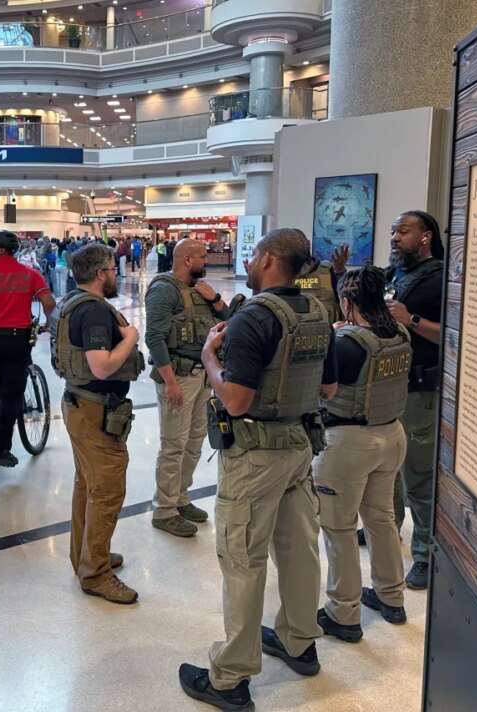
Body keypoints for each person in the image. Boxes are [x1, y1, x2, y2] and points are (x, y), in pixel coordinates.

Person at [180, 229, 337, 711]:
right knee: (298, 549)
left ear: (268, 259)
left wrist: (209, 358)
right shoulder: (318, 312)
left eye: (253, 253)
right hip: (298, 446)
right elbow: (328, 390)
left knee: (243, 560)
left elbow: (237, 398)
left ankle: (229, 678)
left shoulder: (254, 317)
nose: (247, 260)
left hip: (255, 455)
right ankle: (297, 641)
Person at [314, 264, 412, 645]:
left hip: (349, 442)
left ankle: (343, 612)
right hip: (392, 435)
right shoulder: (400, 333)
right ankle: (392, 597)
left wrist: (331, 339)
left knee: (338, 527)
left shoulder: (346, 343)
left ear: (347, 301)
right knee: (381, 518)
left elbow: (324, 390)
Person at [53, 243, 144, 603]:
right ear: (99, 274)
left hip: (79, 404)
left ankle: (88, 556)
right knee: (105, 490)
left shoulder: (71, 302)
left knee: (87, 486)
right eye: (112, 269)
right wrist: (132, 338)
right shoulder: (92, 312)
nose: (115, 274)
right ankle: (95, 573)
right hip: (94, 409)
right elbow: (102, 366)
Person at [144, 239, 229, 538]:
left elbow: (230, 322)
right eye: (203, 256)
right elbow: (154, 337)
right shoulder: (164, 289)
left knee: (194, 442)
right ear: (187, 259)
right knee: (173, 444)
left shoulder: (202, 290)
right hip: (178, 377)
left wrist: (216, 299)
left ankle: (180, 497)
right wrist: (169, 382)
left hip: (202, 377)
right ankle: (164, 510)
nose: (208, 260)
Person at [384, 210, 444, 591]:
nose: (394, 238)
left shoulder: (442, 278)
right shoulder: (394, 275)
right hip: (387, 387)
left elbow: (455, 336)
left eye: (402, 231)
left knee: (418, 476)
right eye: (393, 231)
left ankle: (424, 554)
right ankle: (389, 533)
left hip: (419, 391)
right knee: (386, 471)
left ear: (425, 236)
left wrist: (412, 320)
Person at [0, 230, 56, 467]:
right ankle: (0, 450)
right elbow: (48, 302)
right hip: (18, 341)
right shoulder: (30, 274)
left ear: (2, 251)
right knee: (12, 395)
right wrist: (48, 322)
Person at [295, 238, 347, 323]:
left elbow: (345, 303)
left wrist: (340, 271)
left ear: (308, 244)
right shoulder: (282, 275)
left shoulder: (328, 271)